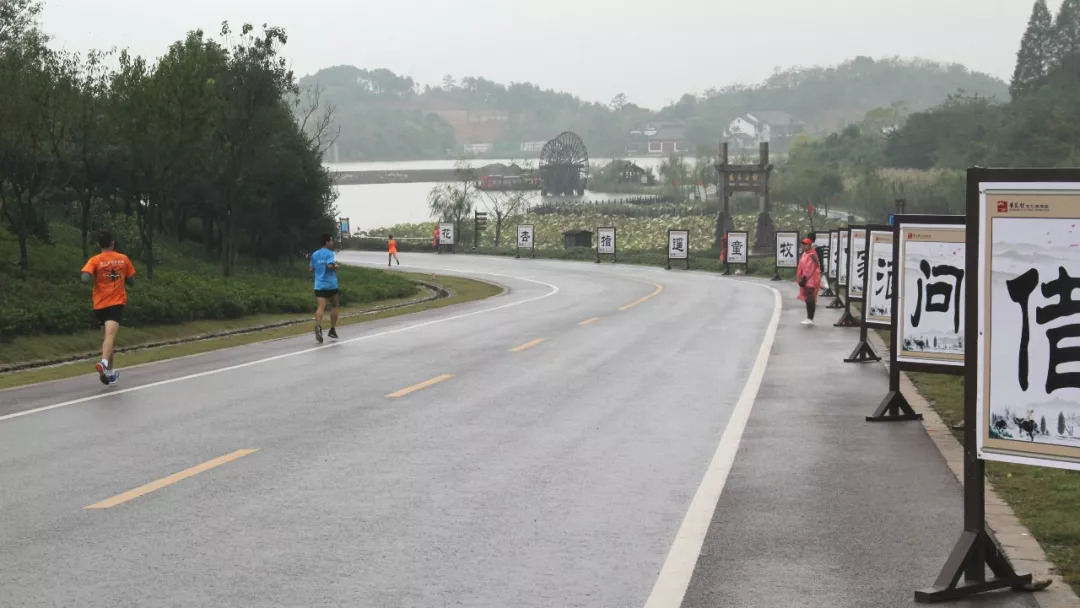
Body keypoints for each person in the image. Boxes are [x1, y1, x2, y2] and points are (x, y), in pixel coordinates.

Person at [81, 230, 136, 385]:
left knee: (109, 339)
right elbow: (132, 281)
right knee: (110, 337)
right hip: (115, 304)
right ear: (113, 243)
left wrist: (93, 275)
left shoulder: (95, 260)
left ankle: (110, 374)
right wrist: (123, 277)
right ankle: (104, 363)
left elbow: (85, 277)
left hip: (98, 305)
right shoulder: (123, 259)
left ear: (99, 244)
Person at [308, 233, 339, 343]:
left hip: (319, 285)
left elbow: (311, 269)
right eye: (331, 241)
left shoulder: (315, 254)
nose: (332, 242)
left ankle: (318, 326)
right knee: (334, 305)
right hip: (331, 284)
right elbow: (330, 265)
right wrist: (336, 266)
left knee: (320, 307)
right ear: (326, 242)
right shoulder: (330, 253)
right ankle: (332, 329)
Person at [796, 237, 822, 326]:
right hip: (807, 279)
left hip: (811, 280)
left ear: (810, 245)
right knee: (808, 299)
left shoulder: (812, 254)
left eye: (805, 244)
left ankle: (810, 318)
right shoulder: (805, 253)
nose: (803, 246)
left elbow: (809, 269)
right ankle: (809, 318)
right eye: (802, 244)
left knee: (810, 299)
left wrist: (803, 278)